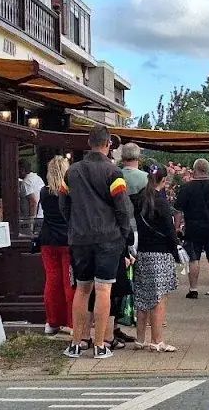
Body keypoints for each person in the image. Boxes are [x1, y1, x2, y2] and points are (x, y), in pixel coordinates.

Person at [60, 124, 134, 360]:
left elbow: (63, 204)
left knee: (82, 289)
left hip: (80, 238)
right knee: (104, 288)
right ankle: (101, 345)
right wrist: (124, 235)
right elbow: (122, 208)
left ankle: (75, 343)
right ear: (108, 144)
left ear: (88, 143)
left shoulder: (71, 172)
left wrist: (74, 224)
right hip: (108, 238)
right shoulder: (114, 173)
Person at [133, 163, 179, 352]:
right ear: (164, 180)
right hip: (161, 253)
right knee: (159, 298)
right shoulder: (161, 202)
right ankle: (157, 340)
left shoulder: (138, 198)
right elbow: (169, 230)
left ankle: (140, 338)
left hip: (143, 252)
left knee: (143, 296)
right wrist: (176, 249)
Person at [174, 158, 209, 299]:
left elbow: (178, 211)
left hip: (193, 228)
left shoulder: (186, 188)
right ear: (207, 169)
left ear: (195, 170)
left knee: (193, 259)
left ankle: (193, 289)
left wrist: (177, 228)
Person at [39, 155, 74, 336]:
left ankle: (52, 321)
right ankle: (71, 322)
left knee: (52, 281)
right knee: (70, 282)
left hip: (48, 240)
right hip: (67, 241)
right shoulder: (69, 192)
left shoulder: (44, 192)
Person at [20, 159, 46, 234]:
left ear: (22, 169)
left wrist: (31, 222)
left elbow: (33, 201)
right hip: (42, 216)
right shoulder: (37, 178)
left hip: (35, 219)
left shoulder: (26, 181)